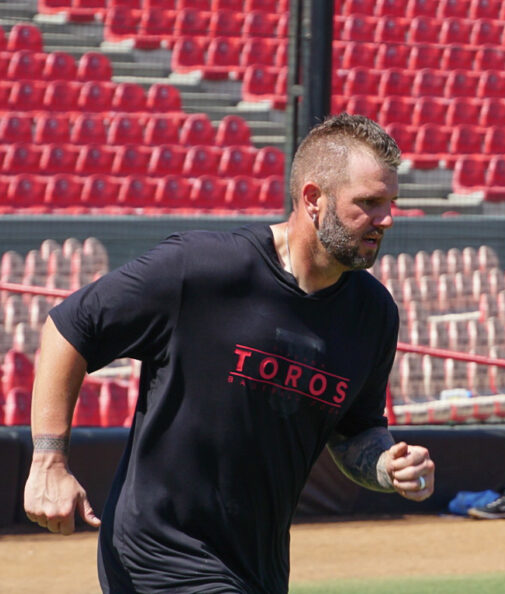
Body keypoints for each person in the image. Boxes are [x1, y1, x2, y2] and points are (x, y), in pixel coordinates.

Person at [23, 113, 436, 593]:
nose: (386, 219)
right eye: (368, 203)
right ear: (312, 199)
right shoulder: (201, 269)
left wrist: (389, 466)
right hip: (158, 556)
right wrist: (48, 461)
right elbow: (69, 327)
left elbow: (356, 431)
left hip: (257, 569)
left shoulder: (373, 313)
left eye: (391, 203)